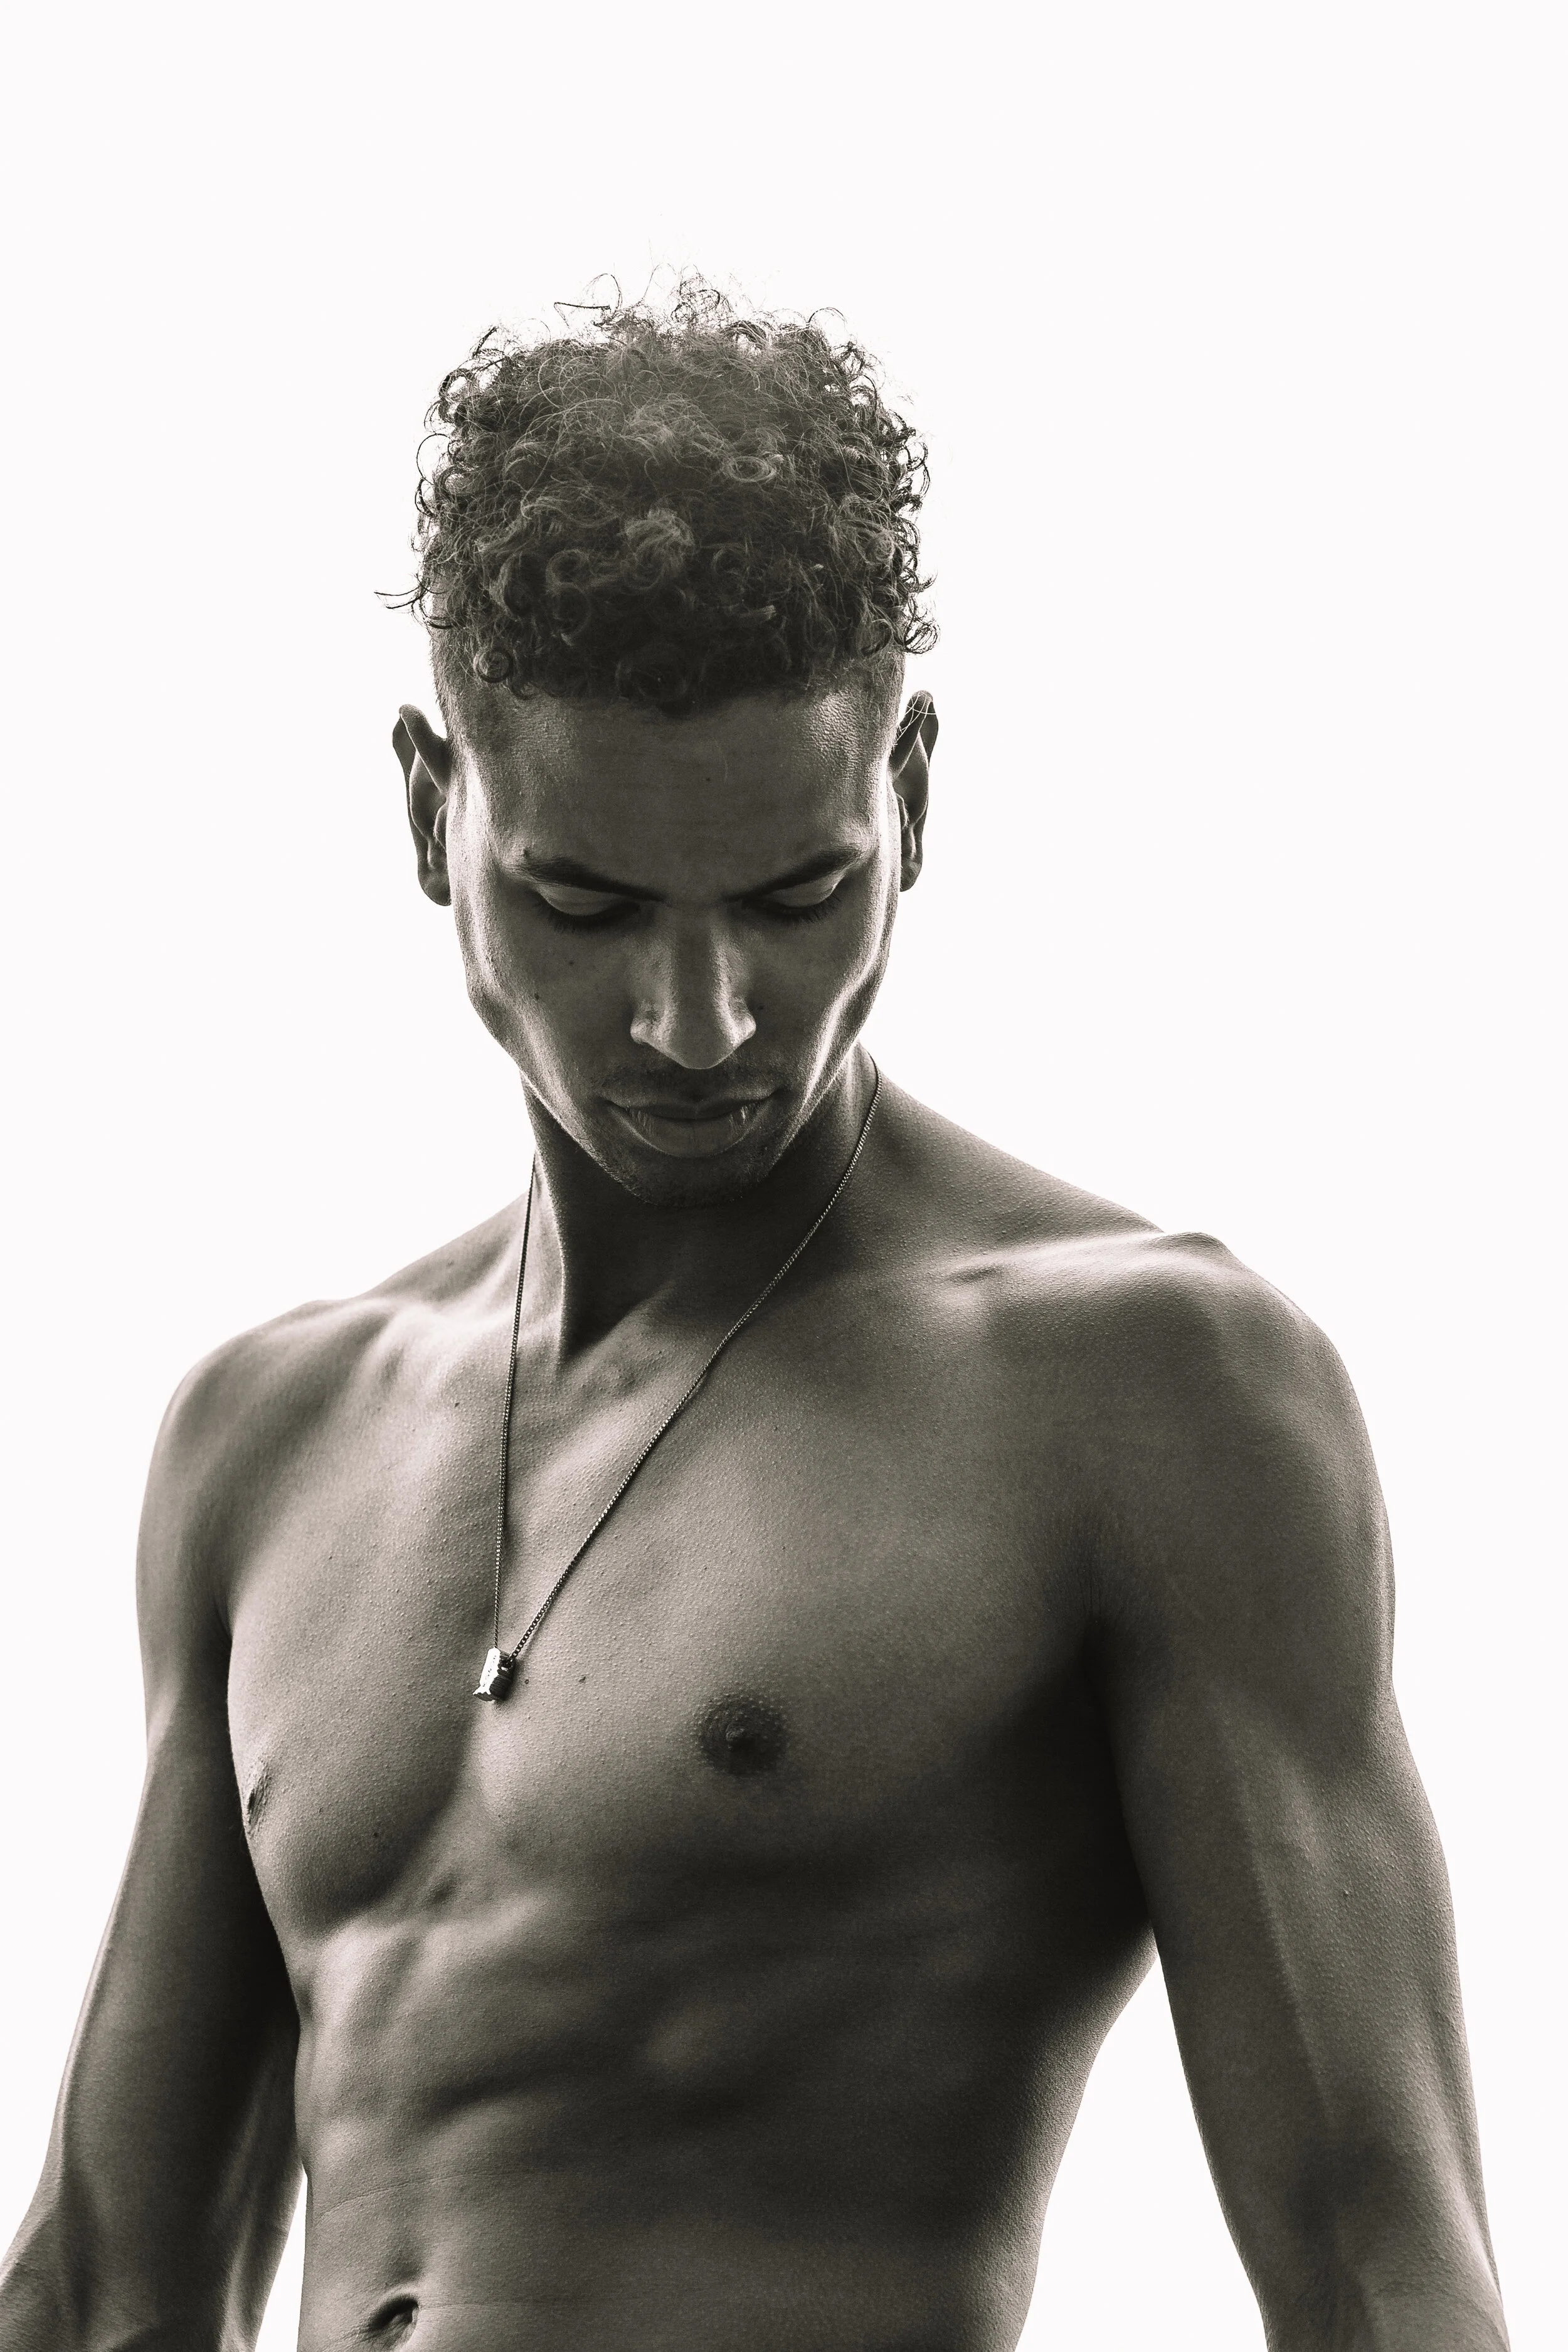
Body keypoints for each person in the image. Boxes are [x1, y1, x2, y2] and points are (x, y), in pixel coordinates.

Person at [0, 280, 1510, 2352]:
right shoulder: (266, 1435)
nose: (702, 1021)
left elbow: (1374, 2262)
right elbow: (103, 2281)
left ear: (913, 793)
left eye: (799, 896)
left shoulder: (1138, 1386)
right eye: (587, 902)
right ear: (432, 811)